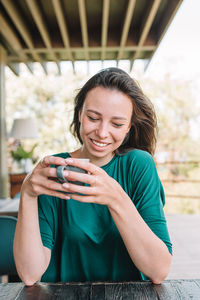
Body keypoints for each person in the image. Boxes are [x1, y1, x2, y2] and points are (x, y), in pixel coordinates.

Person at [14, 67, 172, 286]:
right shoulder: (56, 169)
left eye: (117, 124)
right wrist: (28, 193)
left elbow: (159, 270)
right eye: (93, 117)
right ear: (80, 114)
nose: (102, 132)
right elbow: (30, 275)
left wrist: (115, 198)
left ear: (128, 127)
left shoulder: (138, 165)